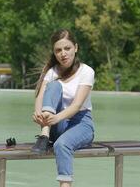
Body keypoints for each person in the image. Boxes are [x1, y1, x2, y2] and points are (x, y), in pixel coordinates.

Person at [31, 29, 95, 187]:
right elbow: (40, 97)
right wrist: (38, 115)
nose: (63, 54)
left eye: (67, 48)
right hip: (53, 125)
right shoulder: (52, 72)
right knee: (53, 86)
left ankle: (65, 185)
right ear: (54, 52)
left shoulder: (86, 71)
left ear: (76, 48)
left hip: (81, 124)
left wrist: (56, 118)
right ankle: (44, 136)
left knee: (61, 144)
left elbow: (77, 105)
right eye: (58, 50)